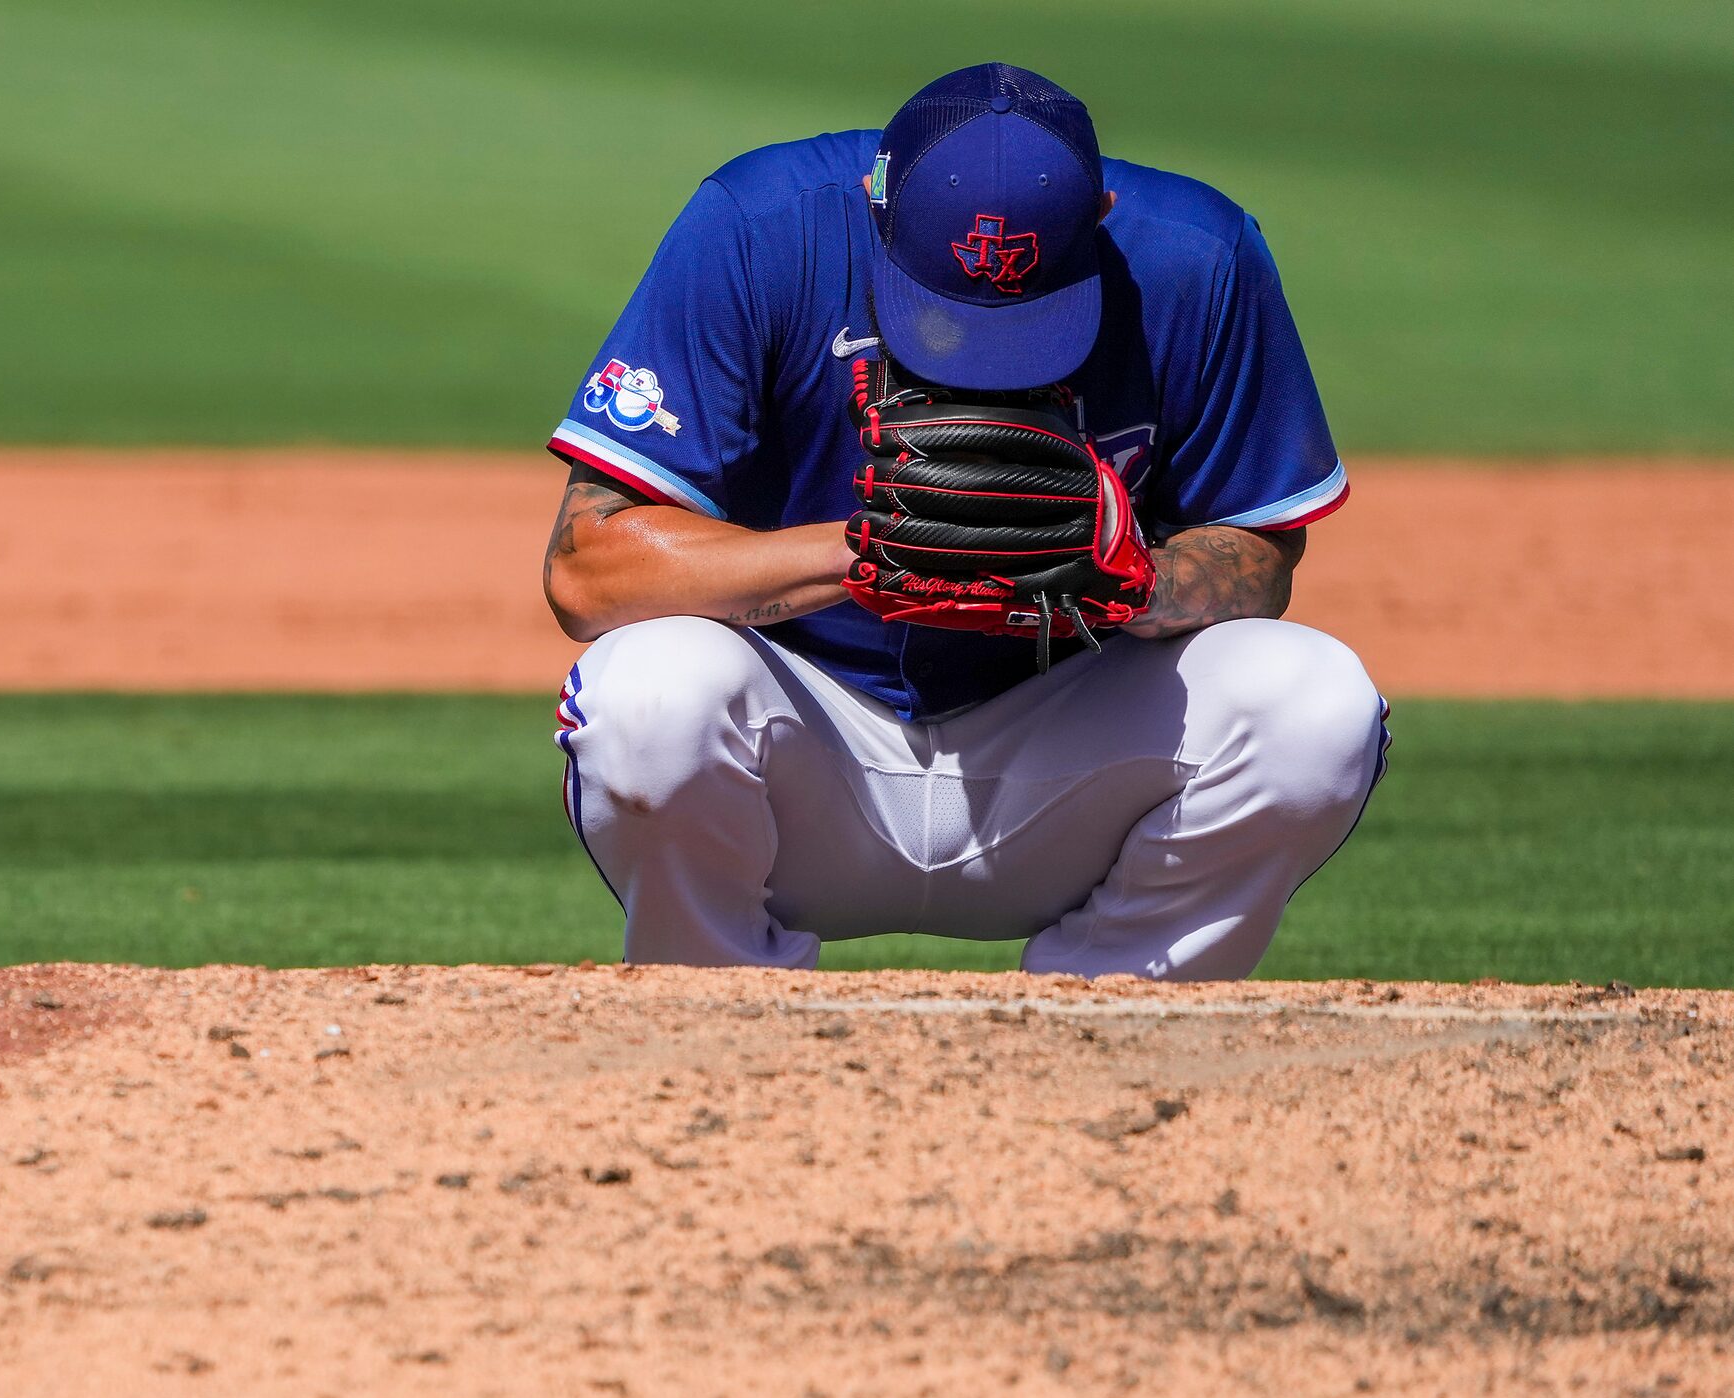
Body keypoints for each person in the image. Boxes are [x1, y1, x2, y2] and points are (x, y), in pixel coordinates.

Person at [545, 62, 1384, 980]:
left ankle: (1112, 1029)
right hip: (806, 759)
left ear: (1100, 219)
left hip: (1062, 758)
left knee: (1316, 706)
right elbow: (590, 568)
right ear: (875, 208)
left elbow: (1262, 556)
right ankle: (719, 1028)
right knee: (648, 697)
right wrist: (864, 550)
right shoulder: (759, 229)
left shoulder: (1198, 258)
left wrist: (1140, 576)